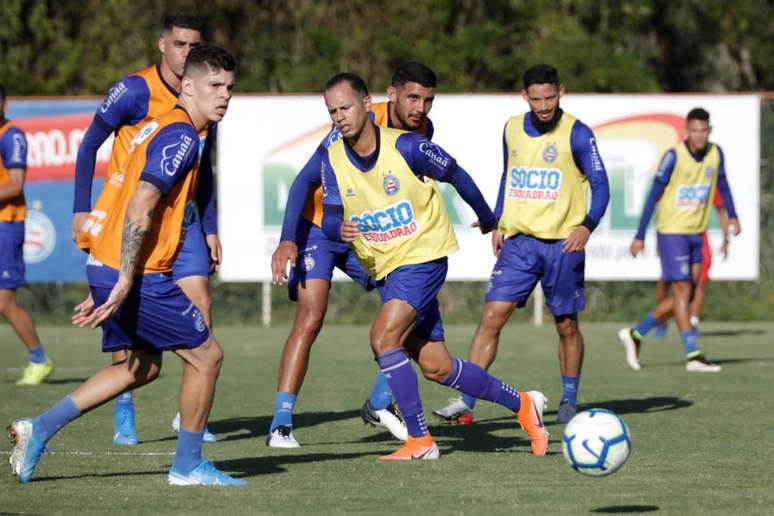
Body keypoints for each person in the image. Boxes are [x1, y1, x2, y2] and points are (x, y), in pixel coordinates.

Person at [8, 45, 244, 486]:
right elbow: (140, 206)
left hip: (111, 263)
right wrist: (125, 279)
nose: (224, 95)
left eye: (229, 87)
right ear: (187, 86)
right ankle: (188, 466)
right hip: (134, 273)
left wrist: (106, 271)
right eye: (214, 86)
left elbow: (123, 200)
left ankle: (37, 429)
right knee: (208, 357)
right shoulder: (179, 136)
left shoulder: (162, 127)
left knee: (142, 367)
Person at [319, 72, 548, 460]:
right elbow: (328, 215)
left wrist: (489, 218)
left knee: (382, 339)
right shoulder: (332, 158)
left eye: (345, 107)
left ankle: (420, 440)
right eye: (332, 111)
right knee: (437, 367)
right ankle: (524, 405)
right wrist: (336, 228)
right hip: (389, 267)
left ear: (367, 104)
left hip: (422, 258)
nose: (339, 116)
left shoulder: (409, 146)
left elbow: (456, 174)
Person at [267, 62, 437, 448]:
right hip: (320, 228)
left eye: (428, 100)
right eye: (413, 98)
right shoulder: (356, 118)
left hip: (370, 233)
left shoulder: (422, 132)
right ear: (390, 96)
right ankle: (281, 423)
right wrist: (287, 239)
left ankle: (378, 402)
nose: (420, 108)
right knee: (311, 317)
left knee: (414, 306)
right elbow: (304, 179)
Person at [433, 64, 610, 426]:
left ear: (560, 91)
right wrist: (497, 219)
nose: (544, 106)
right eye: (536, 99)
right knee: (491, 318)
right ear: (524, 96)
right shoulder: (512, 127)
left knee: (565, 324)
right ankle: (467, 401)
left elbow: (602, 184)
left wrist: (587, 226)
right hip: (520, 244)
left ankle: (569, 399)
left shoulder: (577, 134)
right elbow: (508, 175)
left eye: (550, 97)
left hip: (563, 245)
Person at [72, 11, 218, 445]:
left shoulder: (206, 93)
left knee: (201, 309)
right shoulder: (134, 90)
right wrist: (81, 207)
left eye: (194, 44)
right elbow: (88, 143)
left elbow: (202, 168)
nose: (186, 52)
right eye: (180, 44)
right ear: (162, 45)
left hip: (183, 220)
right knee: (127, 310)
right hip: (134, 217)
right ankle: (124, 409)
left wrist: (209, 226)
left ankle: (188, 418)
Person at [618, 107, 740, 372]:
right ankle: (693, 355)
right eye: (694, 130)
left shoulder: (715, 154)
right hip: (672, 231)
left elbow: (724, 185)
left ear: (709, 130)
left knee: (689, 293)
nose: (699, 136)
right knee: (683, 291)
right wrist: (639, 235)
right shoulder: (674, 156)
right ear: (687, 131)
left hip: (697, 231)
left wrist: (733, 215)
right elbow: (653, 195)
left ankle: (636, 334)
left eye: (703, 130)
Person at [0, 83, 54, 386]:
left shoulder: (12, 135)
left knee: (3, 302)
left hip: (6, 225)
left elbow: (15, 184)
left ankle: (39, 359)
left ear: (4, 103)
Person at [651, 191, 729, 338]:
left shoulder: (707, 178)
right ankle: (659, 320)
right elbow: (658, 207)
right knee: (666, 281)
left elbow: (721, 208)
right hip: (674, 235)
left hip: (698, 237)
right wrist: (658, 237)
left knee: (698, 282)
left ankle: (692, 323)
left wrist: (726, 239)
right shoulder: (673, 177)